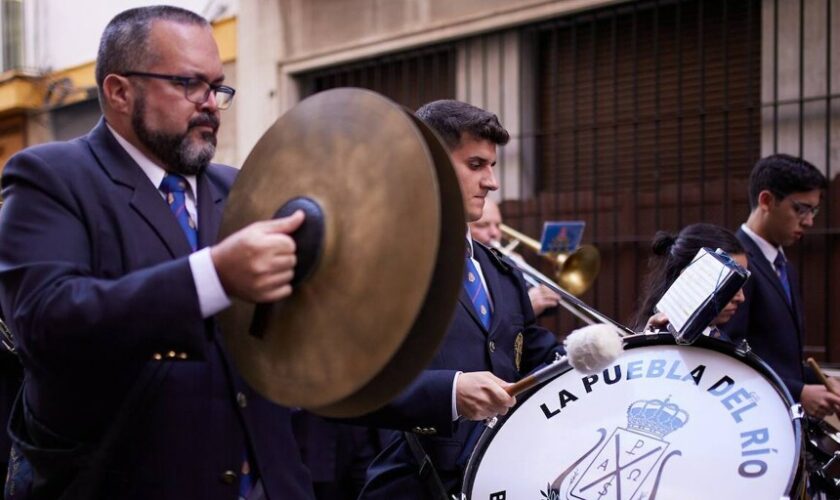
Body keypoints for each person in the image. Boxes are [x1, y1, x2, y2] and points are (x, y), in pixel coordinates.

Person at [0, 6, 316, 499]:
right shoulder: (50, 176)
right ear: (119, 91)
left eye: (218, 87)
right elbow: (46, 321)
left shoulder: (239, 189)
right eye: (190, 84)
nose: (211, 103)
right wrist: (213, 277)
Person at [359, 100, 564, 498]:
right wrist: (450, 393)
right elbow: (352, 385)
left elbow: (540, 356)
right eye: (475, 165)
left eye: (492, 165)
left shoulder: (502, 272)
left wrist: (631, 350)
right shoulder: (380, 263)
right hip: (415, 485)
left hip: (503, 480)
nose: (491, 182)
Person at [720, 154, 840, 419]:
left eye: (814, 211)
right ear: (766, 201)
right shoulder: (736, 261)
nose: (809, 221)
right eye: (801, 209)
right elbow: (728, 353)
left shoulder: (784, 266)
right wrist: (798, 391)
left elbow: (776, 354)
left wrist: (822, 380)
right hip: (751, 419)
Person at [633, 223, 747, 335]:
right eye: (729, 281)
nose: (741, 298)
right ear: (688, 277)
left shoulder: (720, 337)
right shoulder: (656, 339)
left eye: (741, 284)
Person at [469, 198, 561, 317]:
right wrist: (524, 309)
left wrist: (521, 278)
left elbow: (548, 306)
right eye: (482, 225)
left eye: (498, 225)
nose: (495, 233)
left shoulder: (507, 261)